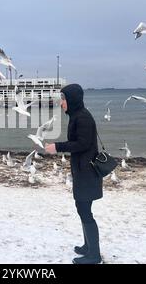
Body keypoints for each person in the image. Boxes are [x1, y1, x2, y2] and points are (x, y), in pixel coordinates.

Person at [45, 84, 102, 264]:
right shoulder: (77, 115)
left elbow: (82, 144)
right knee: (82, 209)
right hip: (82, 171)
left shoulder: (83, 118)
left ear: (72, 100)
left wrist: (57, 147)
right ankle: (88, 247)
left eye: (63, 99)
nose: (61, 103)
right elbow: (80, 143)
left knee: (85, 211)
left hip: (87, 173)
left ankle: (94, 255)